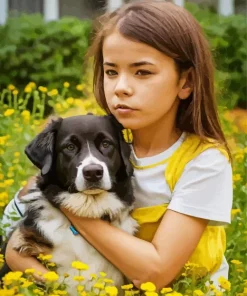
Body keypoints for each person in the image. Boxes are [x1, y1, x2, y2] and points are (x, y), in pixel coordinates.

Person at [3, 0, 233, 289]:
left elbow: (155, 272)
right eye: (112, 72)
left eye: (142, 72)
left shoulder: (204, 162)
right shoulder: (104, 143)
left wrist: (66, 204)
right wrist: (19, 251)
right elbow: (16, 233)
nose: (121, 87)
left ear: (185, 82)